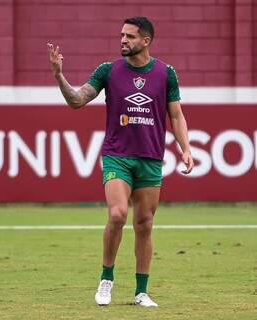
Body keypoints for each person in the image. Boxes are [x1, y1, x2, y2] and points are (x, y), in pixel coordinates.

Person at [47, 16, 194, 307]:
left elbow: (176, 115)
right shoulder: (108, 71)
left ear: (146, 41)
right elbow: (77, 100)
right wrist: (59, 76)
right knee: (117, 214)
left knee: (145, 223)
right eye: (121, 35)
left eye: (129, 36)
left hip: (151, 158)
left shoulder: (166, 73)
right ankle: (106, 279)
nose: (123, 40)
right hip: (118, 156)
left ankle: (141, 292)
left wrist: (186, 148)